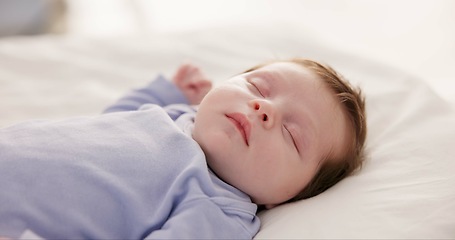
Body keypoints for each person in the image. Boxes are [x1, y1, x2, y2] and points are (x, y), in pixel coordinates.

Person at [0, 58, 366, 239]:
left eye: (291, 133)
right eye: (257, 87)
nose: (263, 109)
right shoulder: (180, 116)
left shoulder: (219, 208)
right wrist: (165, 93)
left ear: (288, 198)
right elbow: (113, 121)